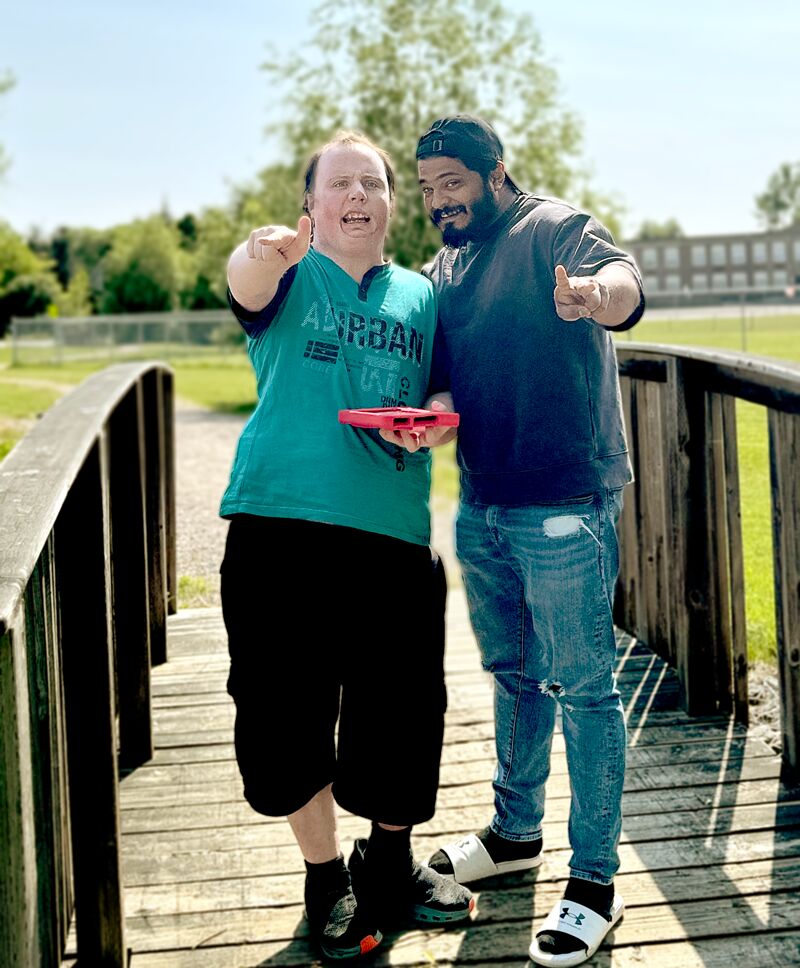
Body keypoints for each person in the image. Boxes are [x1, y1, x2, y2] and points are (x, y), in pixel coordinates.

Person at [383, 115, 644, 967]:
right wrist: (425, 420)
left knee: (584, 688)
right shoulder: (443, 268)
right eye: (425, 190)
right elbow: (448, 386)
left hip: (564, 501)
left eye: (450, 184)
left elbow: (621, 281)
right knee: (514, 675)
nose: (437, 202)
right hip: (485, 506)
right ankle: (516, 832)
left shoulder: (552, 229)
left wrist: (595, 298)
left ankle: (596, 882)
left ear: (496, 173)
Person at [219, 131, 473, 961]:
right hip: (279, 528)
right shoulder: (287, 272)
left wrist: (430, 417)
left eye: (373, 183)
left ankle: (390, 865)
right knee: (284, 712)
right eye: (340, 184)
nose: (357, 195)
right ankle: (327, 878)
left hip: (394, 535)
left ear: (392, 203)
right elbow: (243, 282)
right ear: (313, 204)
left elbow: (437, 379)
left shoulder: (420, 294)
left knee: (404, 712)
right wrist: (263, 252)